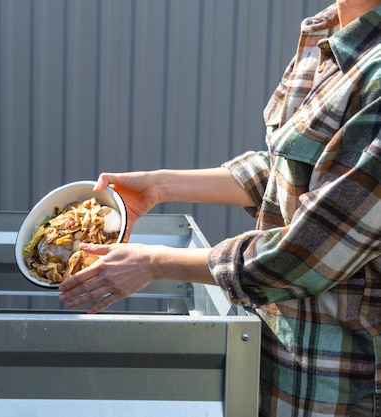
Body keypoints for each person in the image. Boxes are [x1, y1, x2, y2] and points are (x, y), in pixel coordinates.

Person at [58, 1, 381, 416]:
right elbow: (289, 171)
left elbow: (308, 253)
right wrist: (159, 186)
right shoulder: (325, 30)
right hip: (276, 368)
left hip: (336, 388)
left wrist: (154, 263)